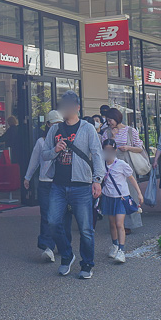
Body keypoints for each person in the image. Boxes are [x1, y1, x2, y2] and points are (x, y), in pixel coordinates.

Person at [40, 90, 103, 280]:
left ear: (77, 107)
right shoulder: (55, 129)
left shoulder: (87, 128)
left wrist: (97, 180)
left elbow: (97, 154)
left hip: (81, 185)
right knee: (52, 222)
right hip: (58, 184)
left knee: (85, 229)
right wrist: (55, 150)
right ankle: (67, 256)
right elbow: (44, 154)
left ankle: (87, 264)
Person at [23, 110, 70, 262]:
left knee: (63, 216)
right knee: (46, 215)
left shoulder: (68, 140)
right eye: (54, 123)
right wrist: (27, 177)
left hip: (62, 182)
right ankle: (48, 247)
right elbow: (34, 160)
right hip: (45, 182)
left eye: (59, 123)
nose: (56, 126)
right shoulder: (41, 142)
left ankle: (63, 244)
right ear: (48, 124)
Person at [98, 139, 144, 263]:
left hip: (121, 197)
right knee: (112, 224)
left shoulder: (121, 164)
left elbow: (131, 178)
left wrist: (139, 193)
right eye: (106, 150)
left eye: (111, 150)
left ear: (115, 151)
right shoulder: (100, 164)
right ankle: (114, 245)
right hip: (108, 197)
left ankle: (121, 250)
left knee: (119, 224)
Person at [102, 108, 145, 233]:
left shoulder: (130, 130)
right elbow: (103, 147)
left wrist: (128, 148)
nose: (109, 122)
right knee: (114, 192)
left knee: (129, 192)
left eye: (110, 120)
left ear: (117, 118)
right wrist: (112, 137)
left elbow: (140, 148)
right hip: (111, 164)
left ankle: (130, 224)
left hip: (126, 162)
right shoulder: (107, 132)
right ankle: (118, 224)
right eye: (107, 120)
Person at [0, 115, 30, 203]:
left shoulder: (10, 130)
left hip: (13, 151)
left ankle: (15, 182)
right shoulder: (19, 129)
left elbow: (3, 138)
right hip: (20, 151)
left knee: (13, 167)